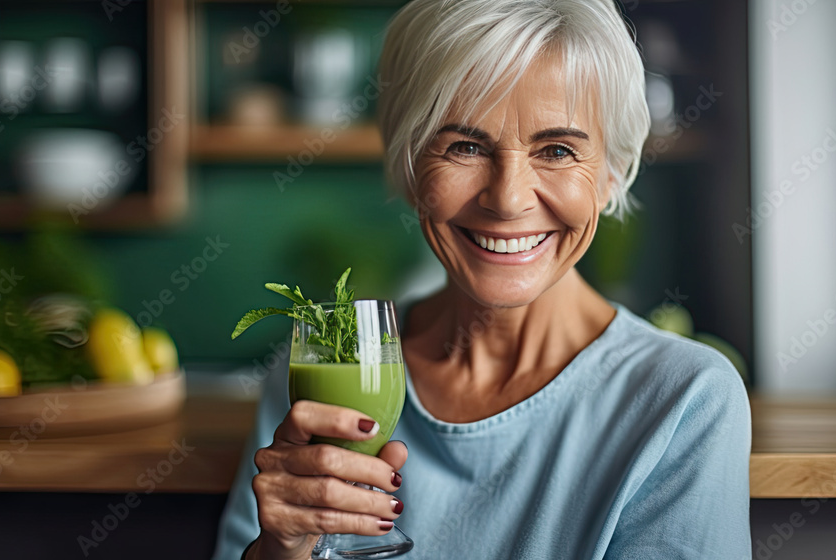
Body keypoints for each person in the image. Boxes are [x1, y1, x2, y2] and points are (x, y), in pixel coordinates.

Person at [216, 0, 751, 558]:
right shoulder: (318, 369)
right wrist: (283, 548)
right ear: (410, 163)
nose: (508, 199)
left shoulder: (685, 401)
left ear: (611, 175)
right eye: (465, 146)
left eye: (558, 150)